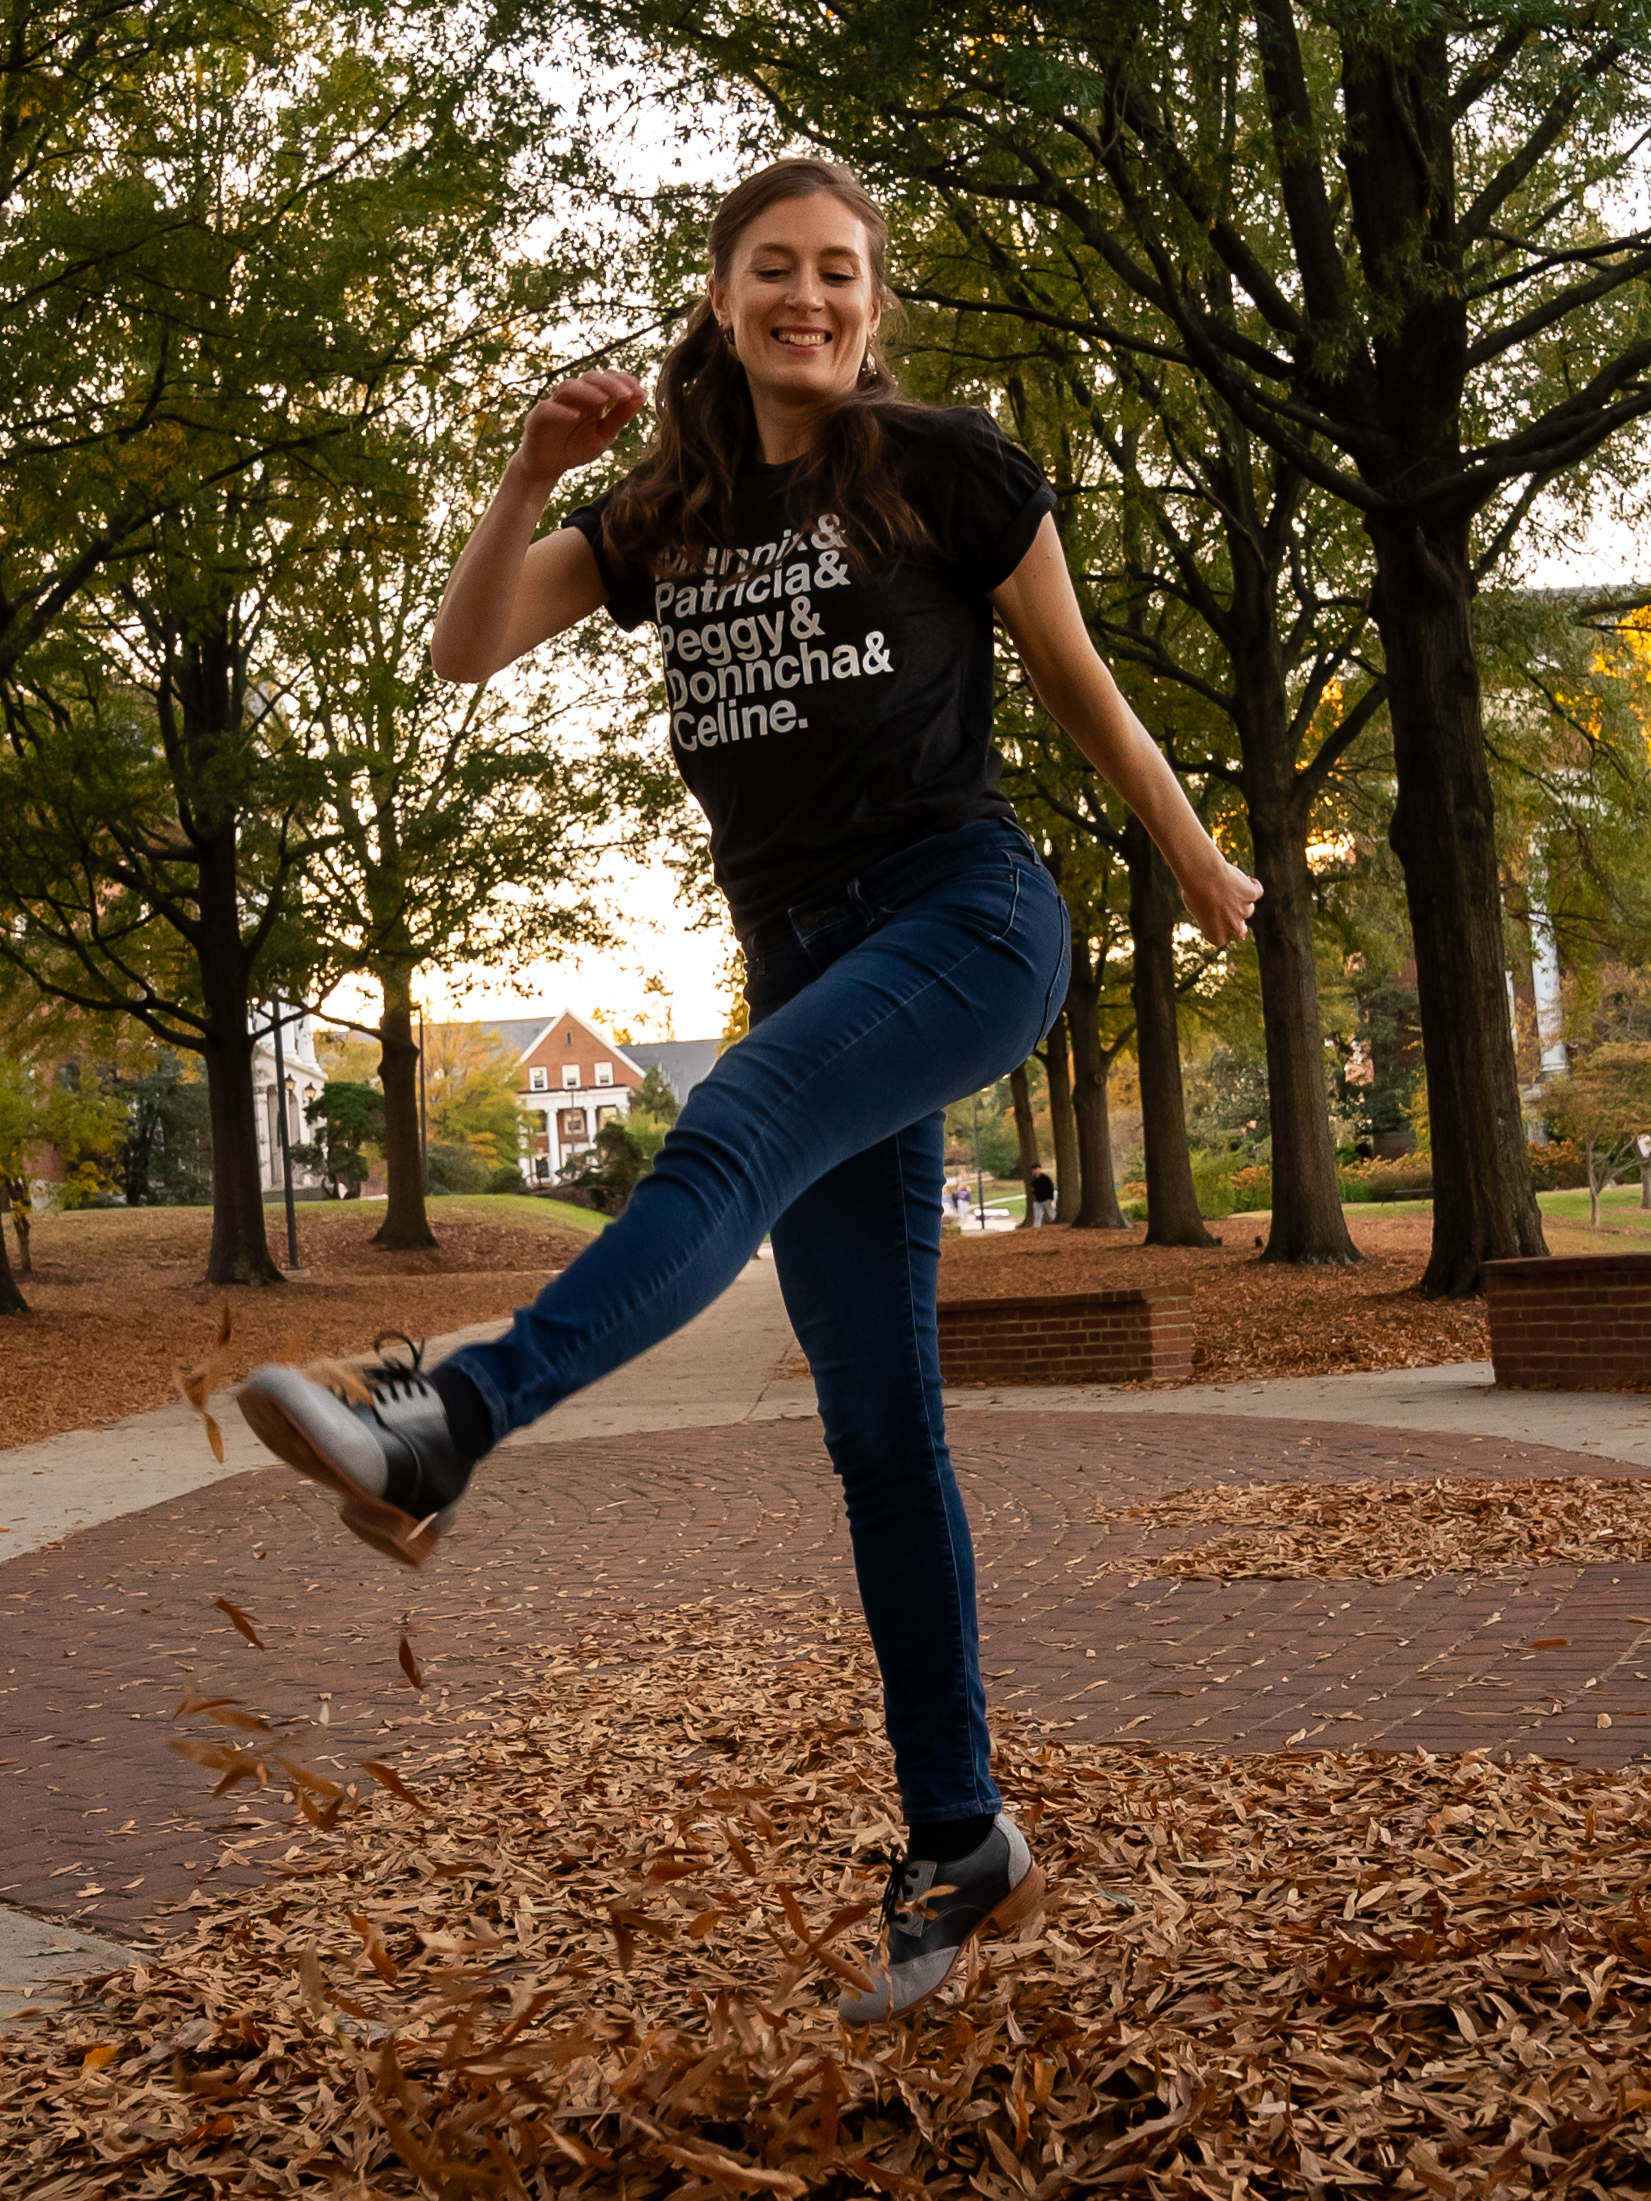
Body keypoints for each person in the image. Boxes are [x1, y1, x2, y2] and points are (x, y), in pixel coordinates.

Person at [236, 157, 1260, 2022]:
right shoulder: (672, 510)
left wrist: (1198, 868)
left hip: (964, 918)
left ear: (876, 304)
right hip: (801, 957)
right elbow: (470, 646)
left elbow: (1089, 693)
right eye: (775, 272)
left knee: (736, 1130)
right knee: (878, 1423)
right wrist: (529, 470)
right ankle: (964, 1842)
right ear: (721, 298)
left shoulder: (945, 467)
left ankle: (447, 1419)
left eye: (843, 274)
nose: (811, 299)